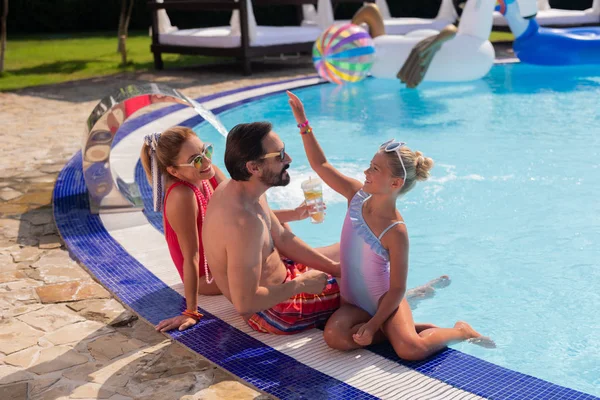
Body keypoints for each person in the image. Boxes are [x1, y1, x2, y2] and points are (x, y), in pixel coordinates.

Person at [286, 91, 495, 360]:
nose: (365, 172)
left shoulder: (395, 231)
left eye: (375, 169)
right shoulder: (355, 196)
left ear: (395, 184)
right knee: (334, 337)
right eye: (369, 166)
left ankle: (460, 331)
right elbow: (320, 164)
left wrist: (373, 325)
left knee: (411, 350)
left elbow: (396, 289)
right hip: (354, 304)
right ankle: (405, 330)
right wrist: (303, 121)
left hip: (385, 303)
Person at [140, 127, 320, 332]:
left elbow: (249, 210)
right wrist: (190, 311)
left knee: (275, 232)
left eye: (206, 151)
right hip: (206, 276)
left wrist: (296, 213)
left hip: (224, 255)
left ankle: (299, 274)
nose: (206, 162)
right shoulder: (182, 197)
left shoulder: (211, 174)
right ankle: (295, 285)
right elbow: (191, 256)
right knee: (263, 257)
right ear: (174, 171)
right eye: (196, 160)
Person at [203, 121, 342, 335]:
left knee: (350, 255)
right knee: (363, 286)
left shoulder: (244, 190)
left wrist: (333, 268)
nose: (289, 159)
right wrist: (302, 284)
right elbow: (245, 303)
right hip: (274, 310)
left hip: (283, 279)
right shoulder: (243, 224)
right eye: (279, 155)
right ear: (253, 167)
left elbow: (283, 238)